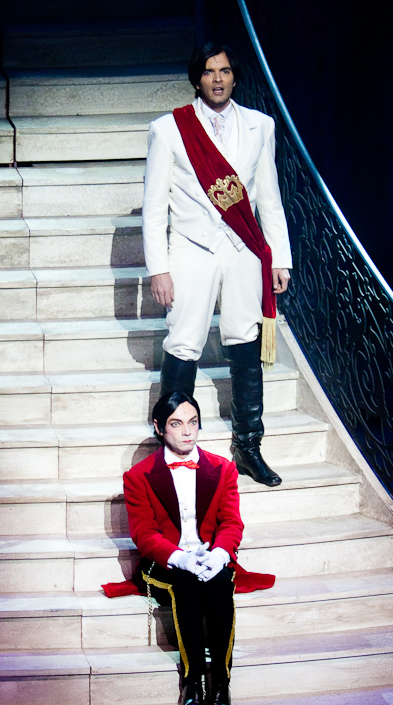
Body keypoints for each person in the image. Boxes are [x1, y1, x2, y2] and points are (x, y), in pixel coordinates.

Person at [142, 42, 293, 487]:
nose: (218, 79)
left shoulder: (261, 125)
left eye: (224, 71)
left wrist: (279, 258)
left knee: (245, 341)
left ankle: (248, 447)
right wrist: (159, 268)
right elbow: (154, 207)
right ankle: (174, 450)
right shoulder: (169, 129)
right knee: (184, 342)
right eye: (209, 72)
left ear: (234, 76)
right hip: (192, 250)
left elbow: (269, 198)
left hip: (244, 250)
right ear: (197, 79)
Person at [121, 391, 249, 705]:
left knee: (220, 585)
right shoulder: (138, 476)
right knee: (187, 584)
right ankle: (193, 681)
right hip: (166, 562)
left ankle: (221, 682)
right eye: (176, 424)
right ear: (159, 427)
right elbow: (144, 534)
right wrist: (180, 558)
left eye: (193, 422)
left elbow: (231, 522)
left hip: (210, 555)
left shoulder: (222, 468)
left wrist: (220, 554)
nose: (187, 431)